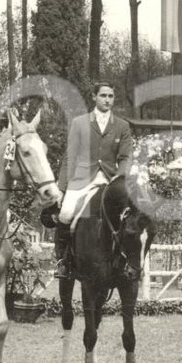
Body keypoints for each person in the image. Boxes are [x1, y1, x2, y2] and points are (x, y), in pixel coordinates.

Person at [53, 81, 134, 279]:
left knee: (128, 216)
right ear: (94, 97)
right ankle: (63, 260)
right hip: (82, 178)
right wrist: (61, 188)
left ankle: (125, 261)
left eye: (111, 96)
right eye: (103, 95)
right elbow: (70, 157)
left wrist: (119, 177)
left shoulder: (122, 126)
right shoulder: (79, 123)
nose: (107, 100)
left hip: (109, 179)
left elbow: (125, 157)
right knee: (65, 213)